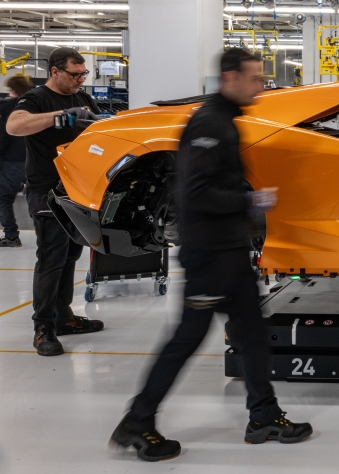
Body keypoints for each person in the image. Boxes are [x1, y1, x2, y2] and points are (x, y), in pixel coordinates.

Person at [110, 48, 311, 462]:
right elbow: (195, 193)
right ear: (229, 78)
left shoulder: (226, 122)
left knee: (252, 334)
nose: (261, 86)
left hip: (229, 252)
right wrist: (250, 199)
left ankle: (264, 417)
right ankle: (137, 421)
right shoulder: (209, 123)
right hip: (209, 256)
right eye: (255, 78)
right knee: (187, 337)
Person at [6, 49, 104, 356]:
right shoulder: (36, 100)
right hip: (47, 189)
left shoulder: (84, 98)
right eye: (74, 75)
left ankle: (64, 317)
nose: (79, 80)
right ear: (54, 72)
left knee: (70, 255)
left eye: (82, 75)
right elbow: (15, 126)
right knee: (50, 259)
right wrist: (57, 118)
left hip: (79, 190)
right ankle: (43, 328)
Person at [0, 75, 33, 247]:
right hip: (34, 161)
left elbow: (3, 138)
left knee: (4, 199)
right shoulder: (36, 107)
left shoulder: (6, 108)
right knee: (38, 199)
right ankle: (47, 235)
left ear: (12, 90)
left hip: (11, 162)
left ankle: (11, 236)